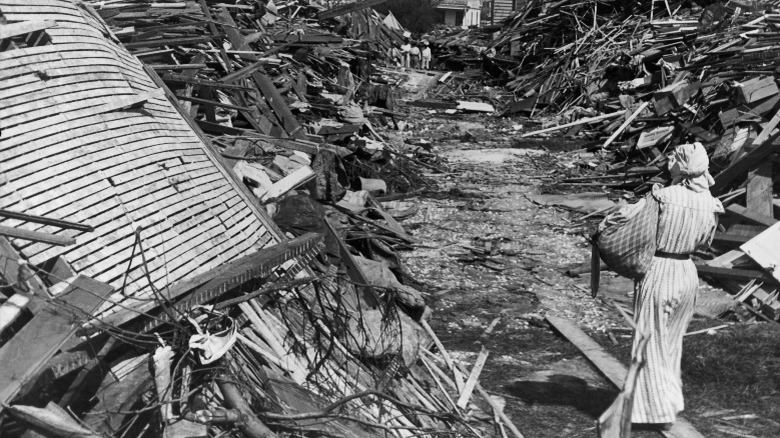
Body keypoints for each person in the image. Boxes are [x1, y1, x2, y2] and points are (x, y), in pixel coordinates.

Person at [604, 142, 723, 431]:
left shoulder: (662, 197)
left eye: (673, 159)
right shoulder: (711, 203)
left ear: (680, 165)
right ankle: (668, 402)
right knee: (671, 342)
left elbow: (628, 220)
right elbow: (706, 242)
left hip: (661, 269)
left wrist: (607, 223)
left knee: (648, 340)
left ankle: (649, 412)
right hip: (687, 271)